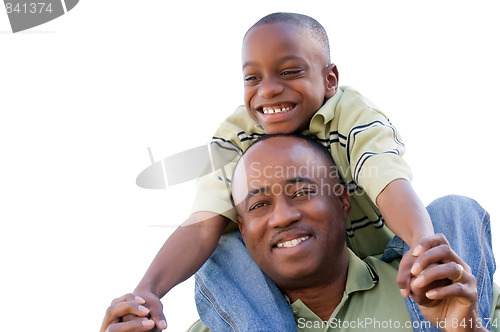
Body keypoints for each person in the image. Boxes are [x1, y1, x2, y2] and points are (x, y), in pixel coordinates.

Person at [129, 12, 493, 331]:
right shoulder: (234, 136)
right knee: (219, 251)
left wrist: (422, 247)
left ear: (330, 79)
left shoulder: (352, 113)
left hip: (387, 262)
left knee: (454, 210)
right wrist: (147, 292)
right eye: (252, 79)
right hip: (273, 286)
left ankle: (438, 320)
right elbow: (202, 223)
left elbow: (388, 180)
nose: (269, 89)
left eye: (289, 72)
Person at [101, 134, 499, 331]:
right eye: (259, 205)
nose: (282, 217)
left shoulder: (453, 293)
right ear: (241, 228)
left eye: (303, 192)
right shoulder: (221, 322)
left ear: (343, 202)